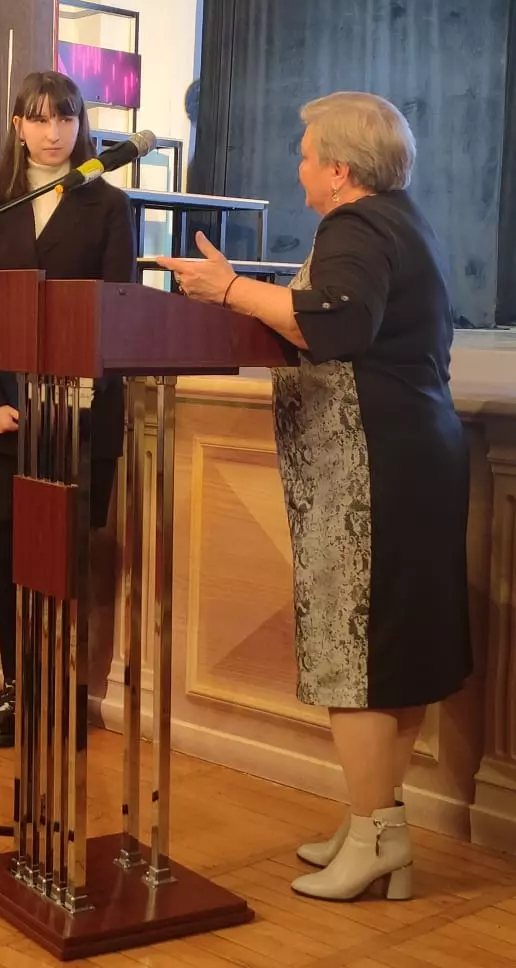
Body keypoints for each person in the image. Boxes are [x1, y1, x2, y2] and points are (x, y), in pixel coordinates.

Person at [159, 92, 471, 902]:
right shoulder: (400, 221)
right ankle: (377, 825)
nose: (297, 168)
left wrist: (230, 288)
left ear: (338, 169)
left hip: (374, 472)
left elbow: (333, 323)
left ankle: (375, 837)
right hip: (409, 460)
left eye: (305, 156)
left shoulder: (356, 225)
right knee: (390, 657)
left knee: (355, 658)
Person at [0, 70, 135, 746]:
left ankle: (63, 686)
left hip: (80, 415)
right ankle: (14, 686)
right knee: (12, 559)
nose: (53, 132)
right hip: (6, 416)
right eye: (39, 118)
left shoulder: (108, 205)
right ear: (18, 126)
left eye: (65, 118)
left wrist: (78, 397)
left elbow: (116, 307)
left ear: (81, 124)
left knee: (68, 559)